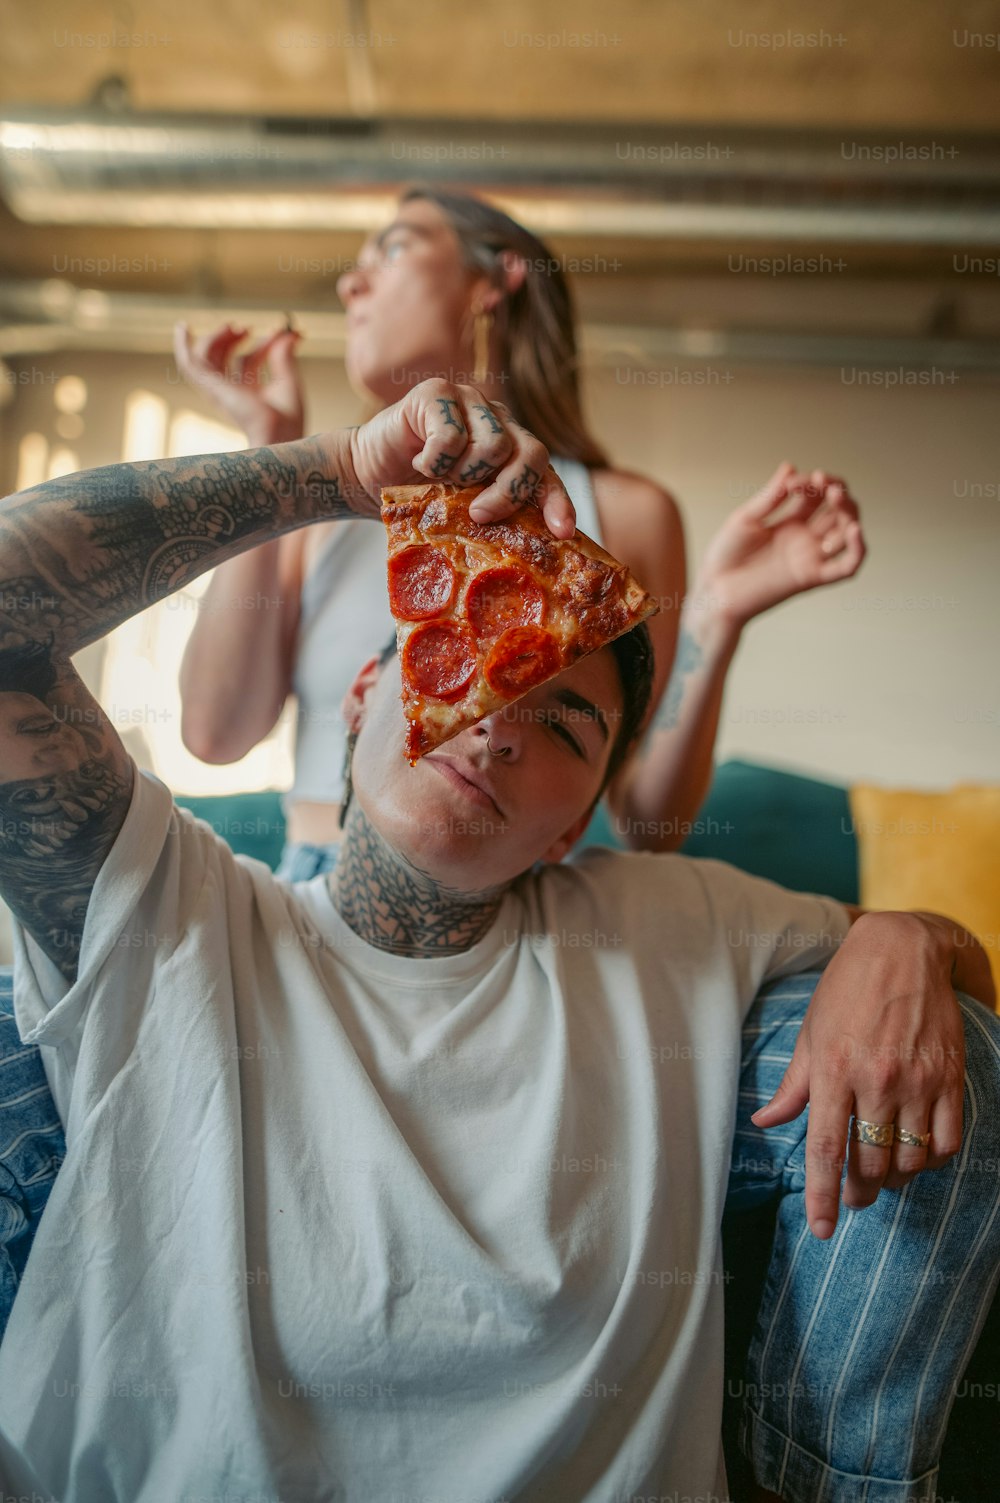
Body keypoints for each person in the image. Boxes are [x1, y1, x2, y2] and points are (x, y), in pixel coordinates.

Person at [0, 379, 995, 1503]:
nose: (498, 727)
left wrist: (907, 937)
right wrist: (337, 475)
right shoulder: (175, 911)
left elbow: (959, 967)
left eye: (564, 723)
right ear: (369, 689)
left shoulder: (663, 920)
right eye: (464, 656)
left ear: (575, 822)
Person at [174, 187, 865, 876]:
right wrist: (271, 452)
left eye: (394, 247)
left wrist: (715, 618)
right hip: (323, 887)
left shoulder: (627, 513)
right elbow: (215, 733)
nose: (350, 282)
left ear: (494, 281)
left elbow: (647, 822)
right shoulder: (324, 506)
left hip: (522, 911)